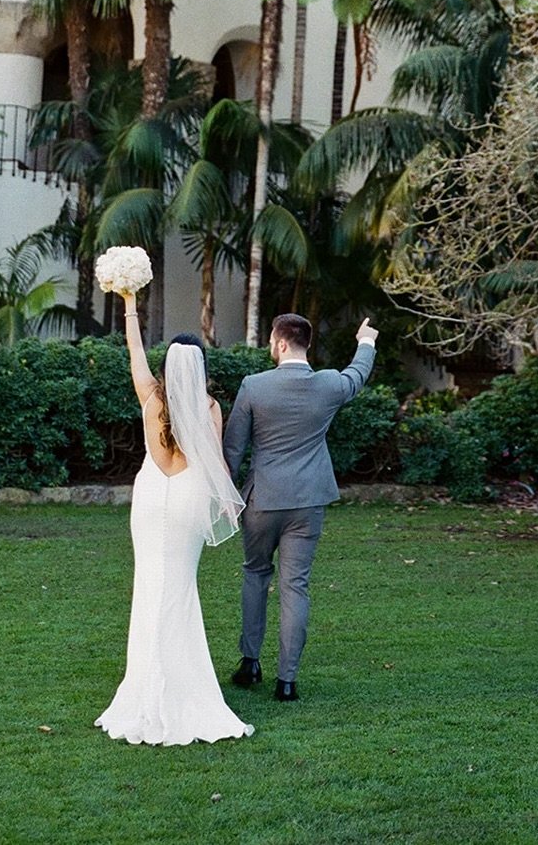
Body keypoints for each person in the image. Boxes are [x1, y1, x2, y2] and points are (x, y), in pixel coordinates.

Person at [95, 291, 252, 746]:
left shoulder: (151, 398)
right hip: (186, 500)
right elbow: (218, 461)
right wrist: (225, 498)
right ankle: (183, 685)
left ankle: (147, 683)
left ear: (167, 368)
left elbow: (134, 354)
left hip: (150, 500)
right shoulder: (209, 408)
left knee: (150, 587)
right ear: (200, 368)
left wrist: (129, 304)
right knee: (179, 589)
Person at [222, 312, 378, 701]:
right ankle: (287, 681)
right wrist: (367, 340)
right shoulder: (328, 385)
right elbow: (357, 374)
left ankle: (250, 663)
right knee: (295, 586)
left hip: (262, 501)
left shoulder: (254, 386)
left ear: (278, 343)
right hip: (308, 502)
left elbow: (234, 447)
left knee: (255, 574)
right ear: (306, 344)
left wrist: (225, 494)